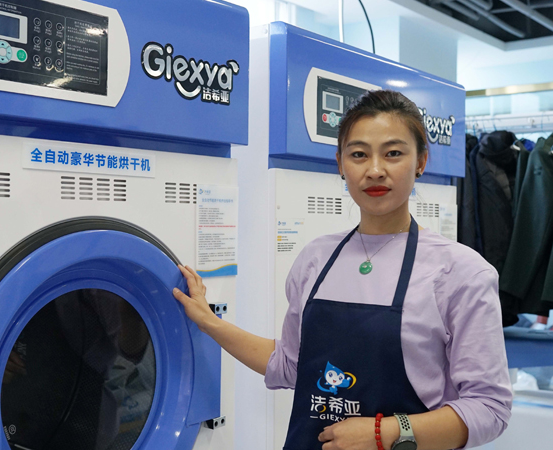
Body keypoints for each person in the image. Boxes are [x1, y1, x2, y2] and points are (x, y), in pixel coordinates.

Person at [173, 90, 512, 450]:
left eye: (393, 153)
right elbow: (289, 365)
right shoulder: (316, 258)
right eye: (359, 154)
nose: (375, 170)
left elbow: (489, 408)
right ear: (340, 164)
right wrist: (209, 322)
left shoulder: (461, 272)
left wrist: (383, 433)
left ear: (421, 161)